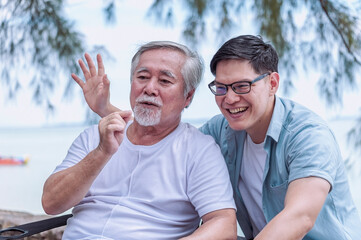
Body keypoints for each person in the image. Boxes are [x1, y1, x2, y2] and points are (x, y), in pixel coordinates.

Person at [83, 35, 361, 240]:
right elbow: (165, 136)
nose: (229, 99)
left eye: (241, 86)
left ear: (272, 83)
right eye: (221, 87)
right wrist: (105, 110)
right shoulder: (222, 131)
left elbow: (299, 217)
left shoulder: (307, 135)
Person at [41, 41, 237, 240]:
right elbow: (51, 203)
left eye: (164, 81)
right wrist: (102, 152)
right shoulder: (95, 136)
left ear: (188, 96)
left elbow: (223, 224)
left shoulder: (198, 150)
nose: (149, 88)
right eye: (142, 77)